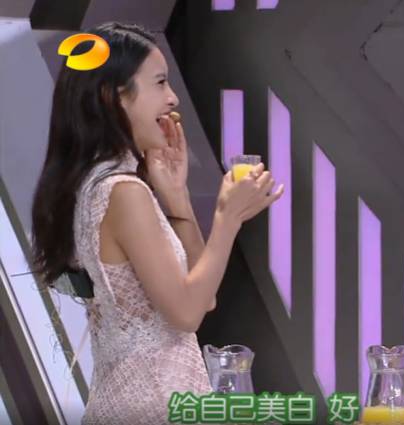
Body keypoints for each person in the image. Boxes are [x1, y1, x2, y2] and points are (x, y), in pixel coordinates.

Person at [30, 21, 284, 424]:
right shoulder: (122, 192)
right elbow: (186, 314)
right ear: (114, 97)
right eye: (160, 83)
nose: (172, 98)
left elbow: (202, 299)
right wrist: (227, 219)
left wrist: (177, 199)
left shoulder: (96, 184)